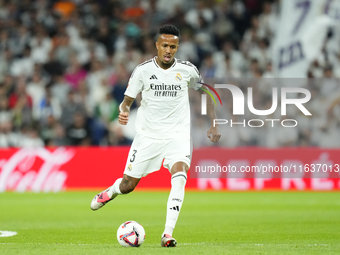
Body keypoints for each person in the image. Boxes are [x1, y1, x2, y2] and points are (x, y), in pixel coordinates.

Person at [90, 24, 221, 247]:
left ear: (177, 47)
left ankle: (167, 233)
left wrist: (214, 122)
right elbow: (127, 100)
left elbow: (207, 91)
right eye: (165, 46)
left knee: (180, 176)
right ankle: (111, 191)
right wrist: (122, 111)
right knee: (128, 185)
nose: (168, 50)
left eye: (173, 46)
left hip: (178, 135)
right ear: (157, 46)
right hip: (148, 136)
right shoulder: (142, 71)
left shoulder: (188, 70)